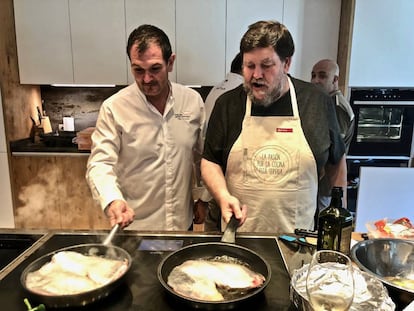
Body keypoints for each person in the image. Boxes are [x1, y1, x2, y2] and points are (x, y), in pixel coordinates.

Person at [201, 20, 347, 233]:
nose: (256, 75)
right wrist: (223, 196)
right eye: (249, 66)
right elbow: (210, 161)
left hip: (299, 241)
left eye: (266, 66)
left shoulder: (316, 102)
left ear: (286, 63)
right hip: (239, 239)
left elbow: (337, 160)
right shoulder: (228, 105)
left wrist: (336, 211)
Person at [86, 24, 205, 231]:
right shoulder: (115, 108)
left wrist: (202, 197)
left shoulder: (192, 101)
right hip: (137, 227)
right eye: (138, 70)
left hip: (181, 224)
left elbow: (202, 156)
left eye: (155, 69)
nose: (147, 79)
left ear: (171, 62)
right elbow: (100, 163)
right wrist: (112, 200)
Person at [198, 53, 243, 232]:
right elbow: (215, 154)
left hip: (213, 186)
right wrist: (205, 196)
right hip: (223, 186)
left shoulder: (216, 90)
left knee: (212, 230)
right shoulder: (235, 97)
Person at [311, 59, 355, 210]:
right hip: (323, 183)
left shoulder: (336, 106)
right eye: (313, 75)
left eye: (322, 76)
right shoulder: (326, 102)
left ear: (335, 79)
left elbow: (335, 149)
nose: (316, 80)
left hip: (328, 184)